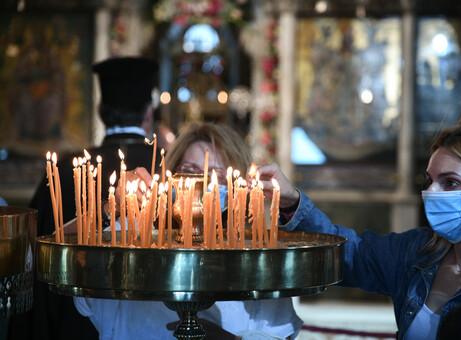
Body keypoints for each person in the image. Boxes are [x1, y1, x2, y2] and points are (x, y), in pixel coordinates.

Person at [253, 102, 461, 339]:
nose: (431, 193)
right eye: (429, 181)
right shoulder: (417, 253)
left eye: (450, 182)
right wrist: (291, 201)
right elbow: (350, 255)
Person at [73, 122, 303, 340]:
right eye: (189, 171)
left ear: (238, 187)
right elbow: (72, 251)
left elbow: (279, 333)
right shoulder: (132, 241)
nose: (198, 183)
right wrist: (110, 208)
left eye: (214, 175)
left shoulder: (256, 260)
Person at [8, 56, 159, 340]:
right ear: (148, 113)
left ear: (101, 111)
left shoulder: (65, 168)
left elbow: (35, 251)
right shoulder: (167, 167)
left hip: (70, 325)